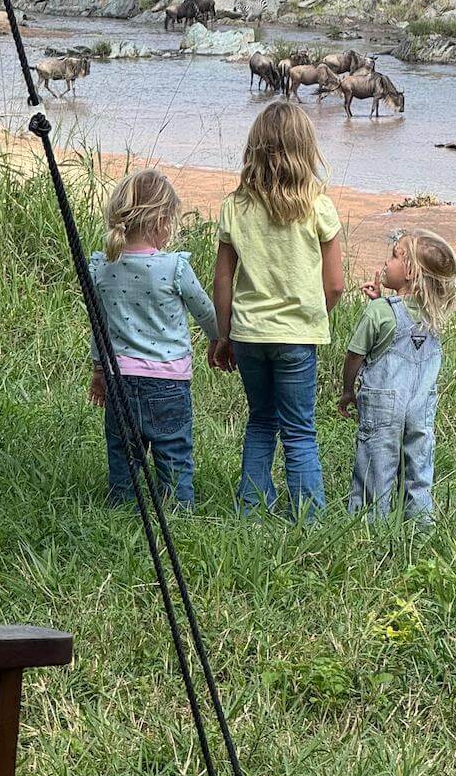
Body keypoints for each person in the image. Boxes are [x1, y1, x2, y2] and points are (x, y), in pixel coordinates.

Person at [213, 100, 343, 516]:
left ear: (255, 149)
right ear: (306, 150)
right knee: (300, 431)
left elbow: (222, 281)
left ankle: (251, 508)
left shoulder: (236, 206)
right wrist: (312, 315)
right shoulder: (318, 206)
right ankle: (308, 515)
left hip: (250, 334)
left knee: (260, 422)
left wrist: (223, 334)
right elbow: (336, 285)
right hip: (297, 337)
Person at [88, 168, 218, 507]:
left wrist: (99, 369)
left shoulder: (102, 267)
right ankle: (180, 512)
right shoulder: (174, 267)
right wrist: (220, 340)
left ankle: (122, 508)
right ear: (160, 221)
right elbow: (204, 310)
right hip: (168, 383)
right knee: (174, 452)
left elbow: (98, 324)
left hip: (119, 379)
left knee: (123, 455)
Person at [338, 228, 456, 523]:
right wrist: (381, 300)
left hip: (382, 406)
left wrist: (347, 389)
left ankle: (368, 528)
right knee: (419, 472)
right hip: (421, 408)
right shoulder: (434, 316)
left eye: (394, 256)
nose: (386, 262)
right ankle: (419, 532)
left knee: (375, 469)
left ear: (409, 272)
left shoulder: (380, 312)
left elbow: (355, 355)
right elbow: (408, 323)